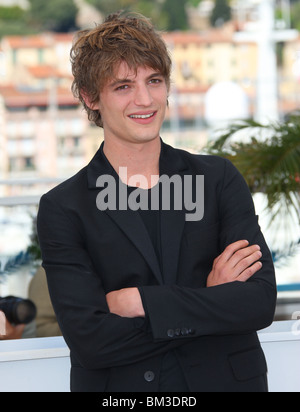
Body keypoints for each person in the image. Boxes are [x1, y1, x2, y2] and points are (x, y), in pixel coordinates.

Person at [37, 12, 277, 392]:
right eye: (123, 87)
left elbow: (258, 302)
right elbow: (92, 343)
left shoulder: (216, 180)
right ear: (90, 97)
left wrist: (138, 302)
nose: (145, 100)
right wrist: (212, 300)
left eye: (154, 81)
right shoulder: (64, 207)